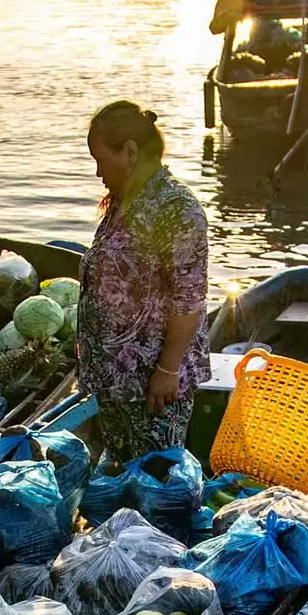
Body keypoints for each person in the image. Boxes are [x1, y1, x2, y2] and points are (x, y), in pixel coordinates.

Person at [77, 100, 211, 463]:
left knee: (157, 483)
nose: (97, 172)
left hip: (151, 386)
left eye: (101, 160)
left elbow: (190, 300)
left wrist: (167, 371)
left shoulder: (176, 210)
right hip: (117, 382)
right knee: (124, 477)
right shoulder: (125, 201)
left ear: (131, 151)